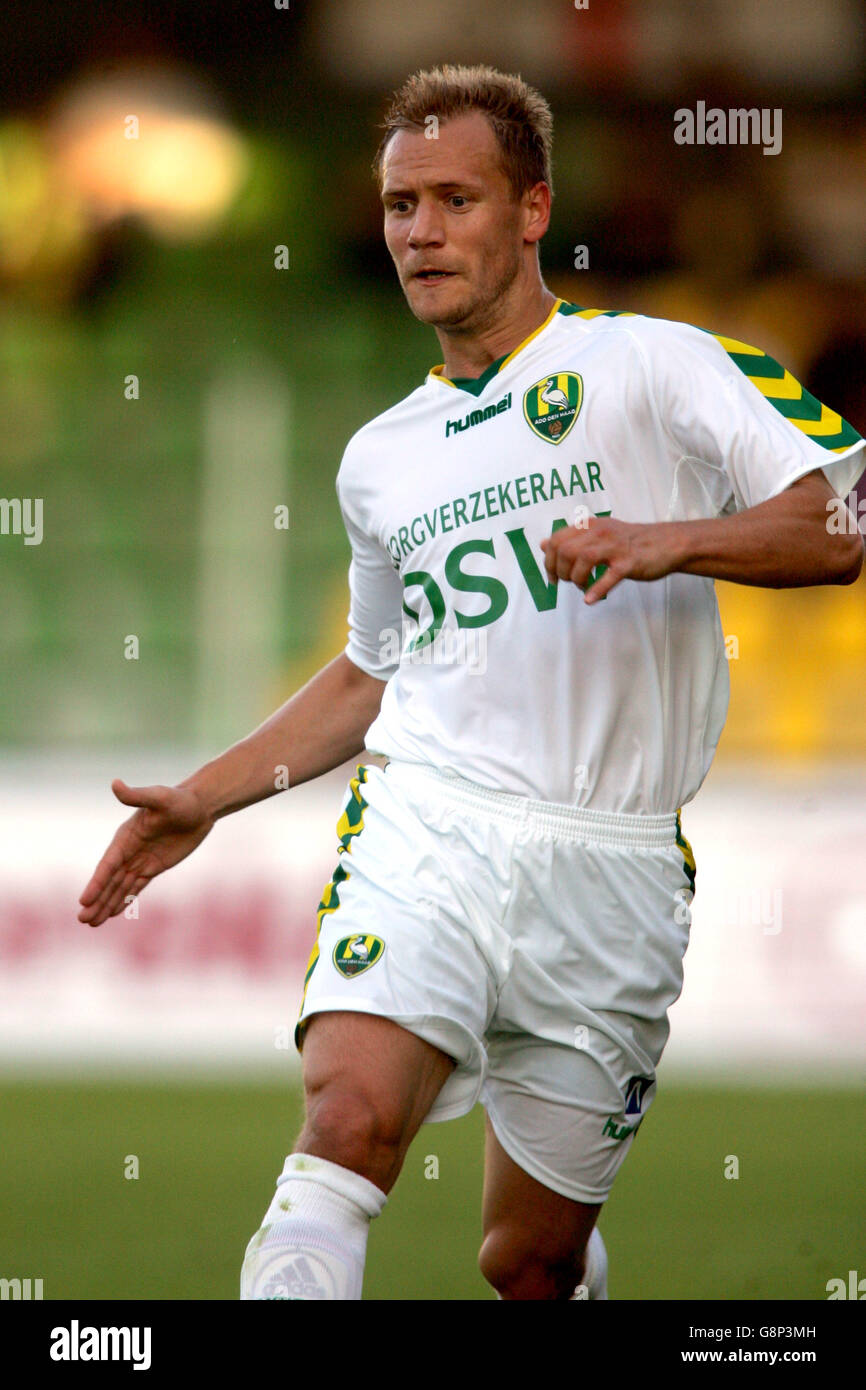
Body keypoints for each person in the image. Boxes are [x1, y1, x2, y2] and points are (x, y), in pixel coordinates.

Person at [78, 64, 865, 1301]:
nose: (421, 232)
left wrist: (666, 539)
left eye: (455, 198)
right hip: (427, 826)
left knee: (528, 1262)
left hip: (610, 868)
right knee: (342, 1131)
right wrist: (205, 795)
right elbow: (368, 674)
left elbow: (842, 521)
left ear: (534, 208)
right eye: (399, 205)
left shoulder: (656, 366)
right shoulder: (377, 457)